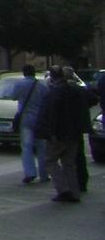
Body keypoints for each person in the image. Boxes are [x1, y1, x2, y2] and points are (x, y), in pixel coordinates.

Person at [38, 65, 88, 203]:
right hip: (74, 132)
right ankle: (74, 192)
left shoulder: (53, 93)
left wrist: (51, 133)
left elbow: (51, 114)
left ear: (52, 78)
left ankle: (63, 189)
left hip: (59, 133)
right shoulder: (75, 90)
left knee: (50, 160)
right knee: (69, 163)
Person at [16, 63, 48, 184]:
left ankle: (30, 173)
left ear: (24, 73)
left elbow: (13, 96)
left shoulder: (19, 84)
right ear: (34, 73)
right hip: (40, 119)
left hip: (26, 118)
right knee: (42, 147)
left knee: (26, 146)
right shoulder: (42, 85)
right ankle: (44, 174)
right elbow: (47, 99)